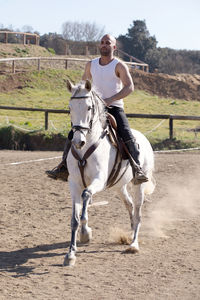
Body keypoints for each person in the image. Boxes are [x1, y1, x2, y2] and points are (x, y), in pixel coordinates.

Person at [46, 34, 148, 184]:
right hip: (93, 109)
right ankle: (63, 167)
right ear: (99, 46)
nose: (104, 45)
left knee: (126, 133)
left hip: (114, 107)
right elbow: (83, 86)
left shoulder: (119, 65)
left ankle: (137, 168)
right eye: (102, 42)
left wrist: (110, 100)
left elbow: (129, 87)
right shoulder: (90, 64)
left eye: (108, 43)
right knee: (73, 132)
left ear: (114, 47)